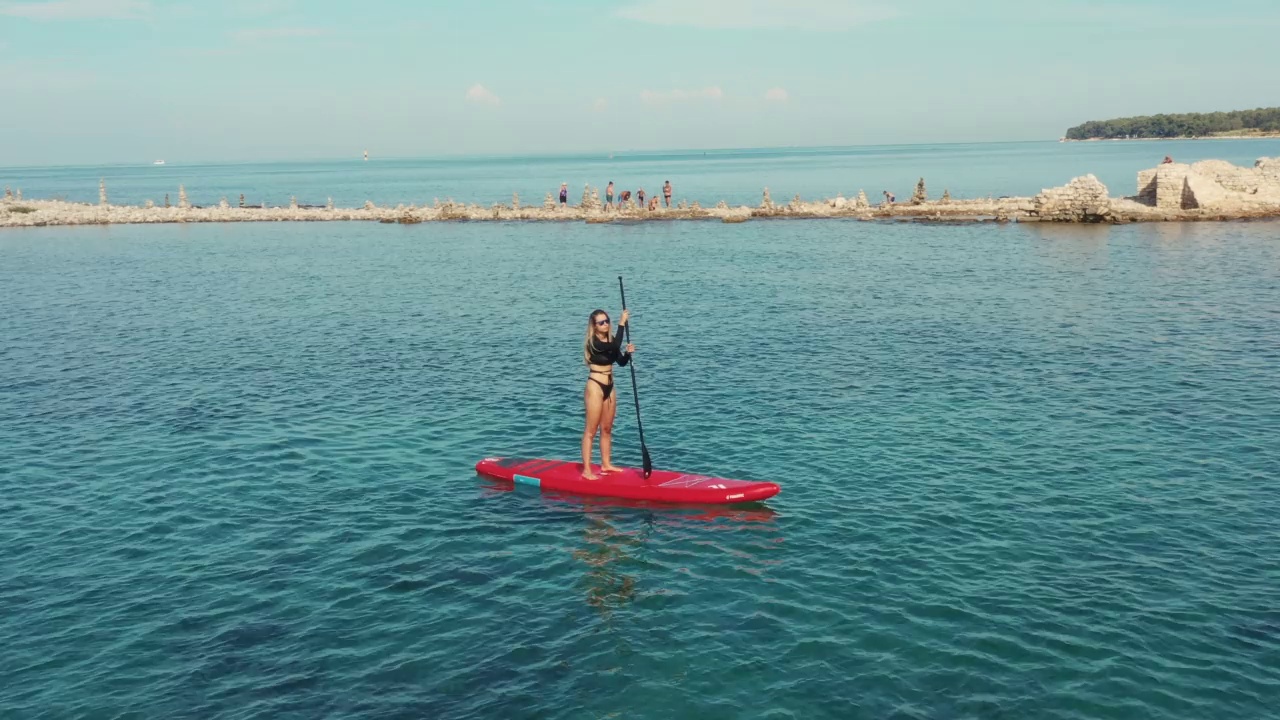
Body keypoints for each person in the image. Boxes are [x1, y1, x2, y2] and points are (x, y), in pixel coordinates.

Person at [581, 308, 634, 479]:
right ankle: (587, 470)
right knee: (591, 430)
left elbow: (621, 362)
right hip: (595, 385)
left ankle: (606, 464)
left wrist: (627, 353)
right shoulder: (593, 342)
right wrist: (621, 323)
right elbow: (614, 345)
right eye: (601, 322)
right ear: (594, 326)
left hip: (610, 385)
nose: (605, 324)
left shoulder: (611, 340)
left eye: (607, 321)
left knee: (607, 428)